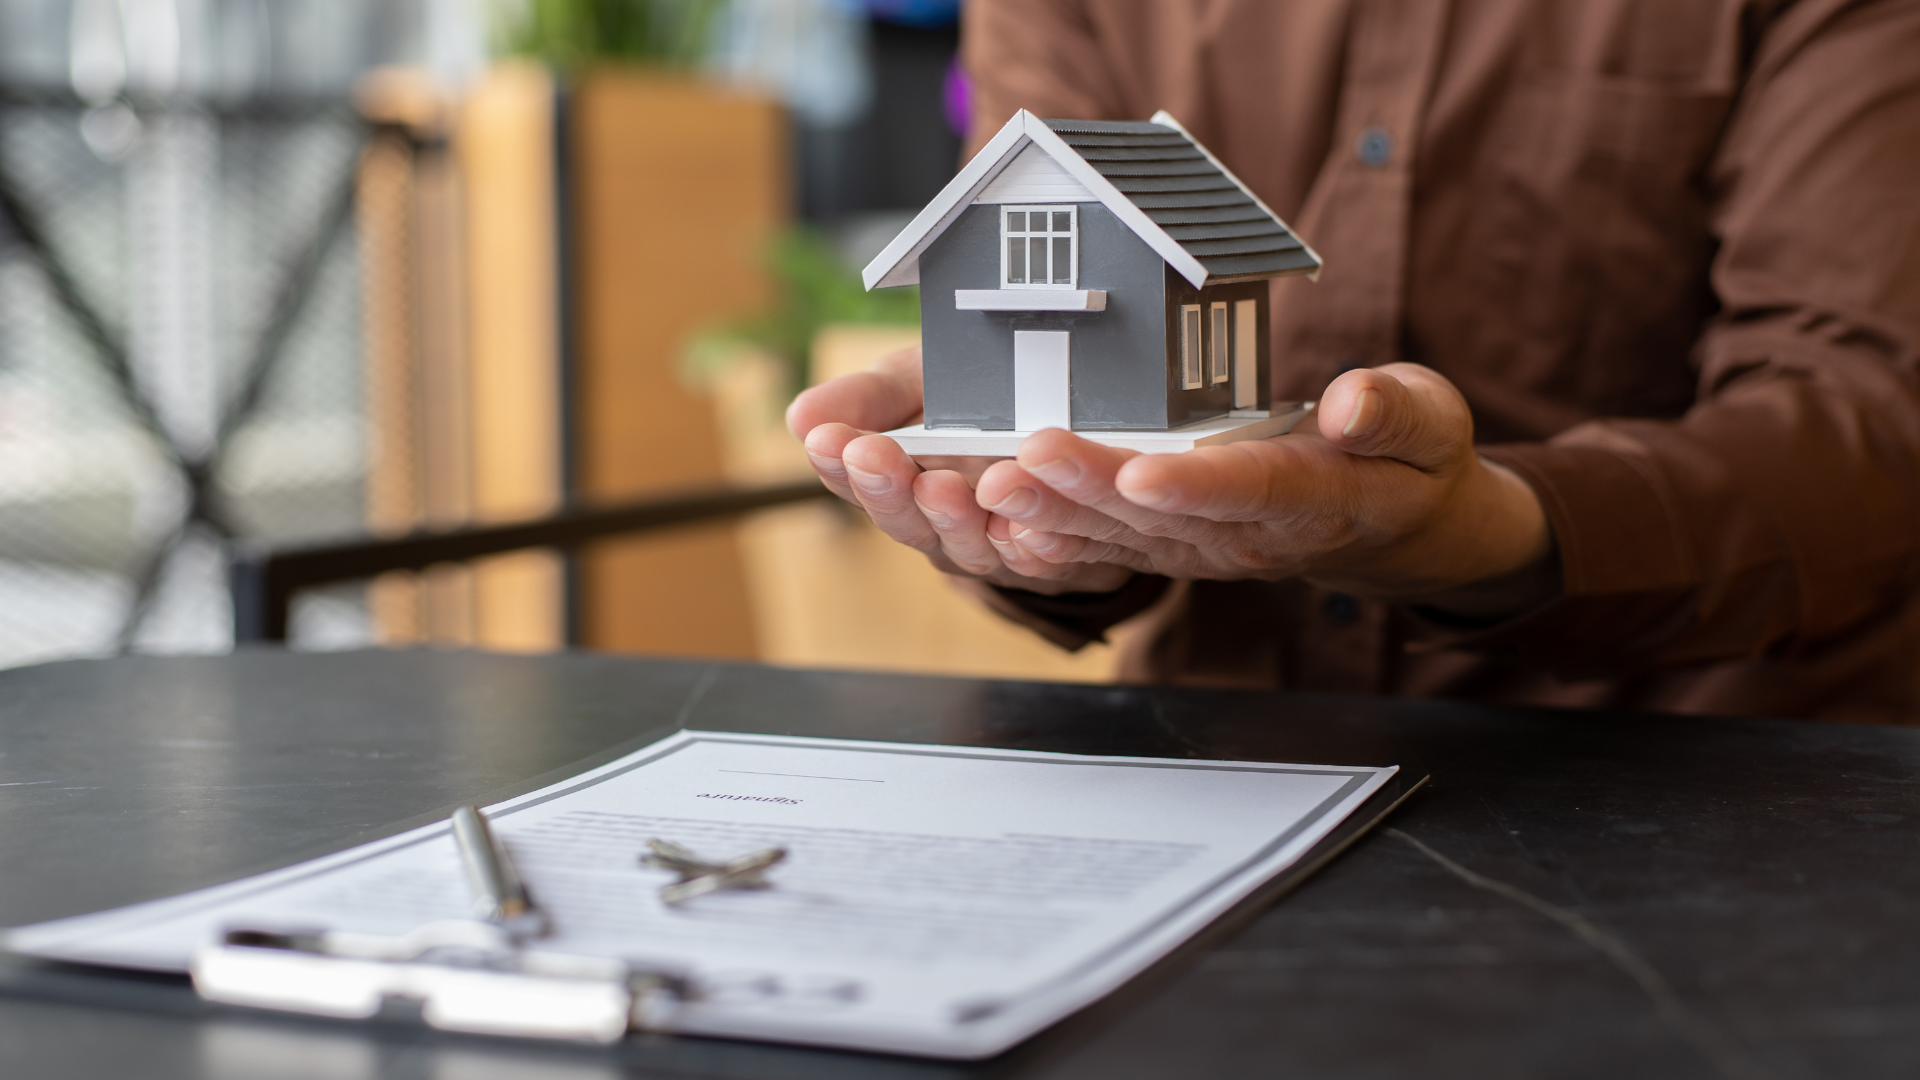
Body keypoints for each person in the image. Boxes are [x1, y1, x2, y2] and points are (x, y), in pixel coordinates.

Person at [787, 0, 1920, 724]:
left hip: (1703, 782)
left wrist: (1484, 531)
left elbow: (1869, 422)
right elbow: (1058, 217)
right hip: (1220, 778)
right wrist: (1044, 518)